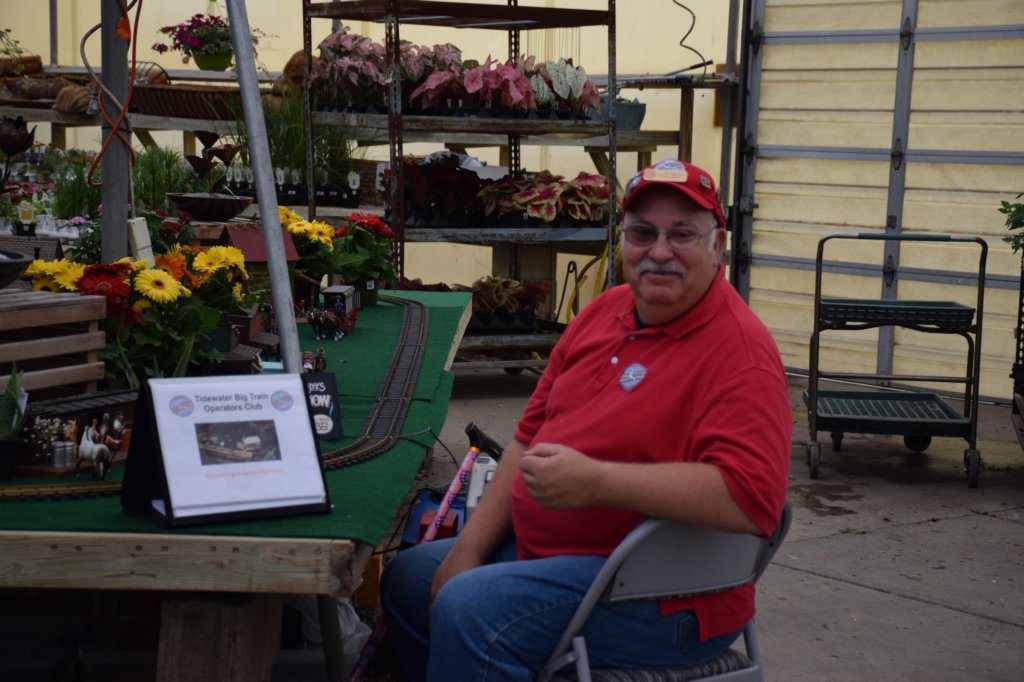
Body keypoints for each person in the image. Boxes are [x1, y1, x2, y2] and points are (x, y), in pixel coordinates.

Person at [380, 159, 792, 681]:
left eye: (682, 234)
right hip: (557, 559)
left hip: (664, 597)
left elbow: (750, 498)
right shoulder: (604, 312)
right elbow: (526, 442)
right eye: (643, 233)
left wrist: (597, 482)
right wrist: (468, 550)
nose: (659, 251)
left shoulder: (741, 353)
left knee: (470, 609)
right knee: (410, 578)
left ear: (718, 246)